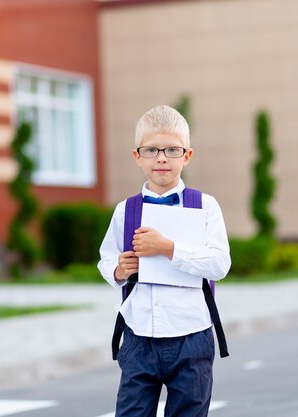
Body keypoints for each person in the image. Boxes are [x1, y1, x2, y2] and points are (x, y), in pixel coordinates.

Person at [98, 105, 231, 417]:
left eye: (172, 150)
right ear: (137, 156)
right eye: (152, 150)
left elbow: (219, 263)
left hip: (192, 336)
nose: (161, 158)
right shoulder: (125, 211)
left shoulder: (205, 207)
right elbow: (106, 259)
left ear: (186, 156)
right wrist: (118, 270)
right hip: (138, 335)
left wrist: (168, 248)